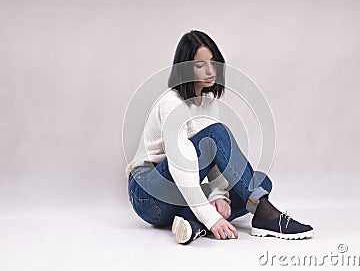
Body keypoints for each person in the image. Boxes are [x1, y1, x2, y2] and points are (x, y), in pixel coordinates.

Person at [126, 30, 314, 245]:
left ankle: (191, 223)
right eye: (200, 65)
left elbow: (216, 158)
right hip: (147, 195)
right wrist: (211, 216)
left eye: (213, 62)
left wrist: (218, 195)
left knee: (260, 182)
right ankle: (262, 214)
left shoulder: (208, 103)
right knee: (218, 134)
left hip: (175, 198)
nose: (210, 70)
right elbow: (180, 164)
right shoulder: (172, 102)